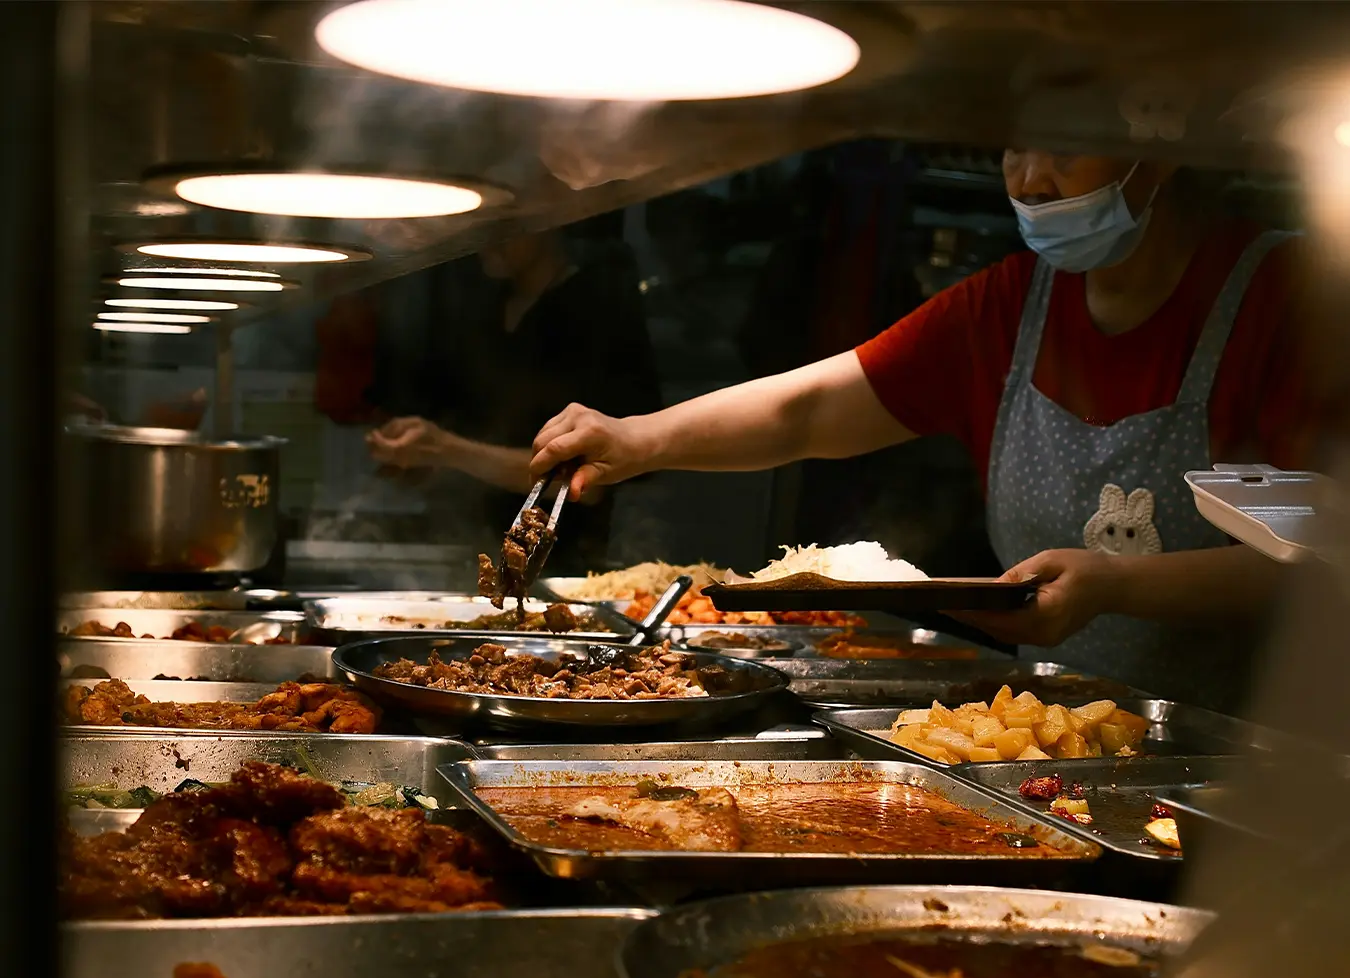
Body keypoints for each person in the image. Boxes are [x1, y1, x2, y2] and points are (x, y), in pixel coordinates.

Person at [529, 151, 1318, 711]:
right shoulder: (1014, 307)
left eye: (1066, 145)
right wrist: (638, 439)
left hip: (1259, 770)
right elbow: (810, 409)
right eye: (1016, 145)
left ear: (1165, 141)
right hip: (1066, 741)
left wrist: (1114, 584)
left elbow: (1318, 569)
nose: (1032, 180)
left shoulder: (1293, 302)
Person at [353, 228, 661, 572]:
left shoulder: (595, 309)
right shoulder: (484, 308)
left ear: (550, 221)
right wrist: (416, 455)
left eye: (507, 226)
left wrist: (446, 448)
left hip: (567, 564)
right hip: (468, 545)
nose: (489, 240)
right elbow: (468, 441)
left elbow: (589, 484)